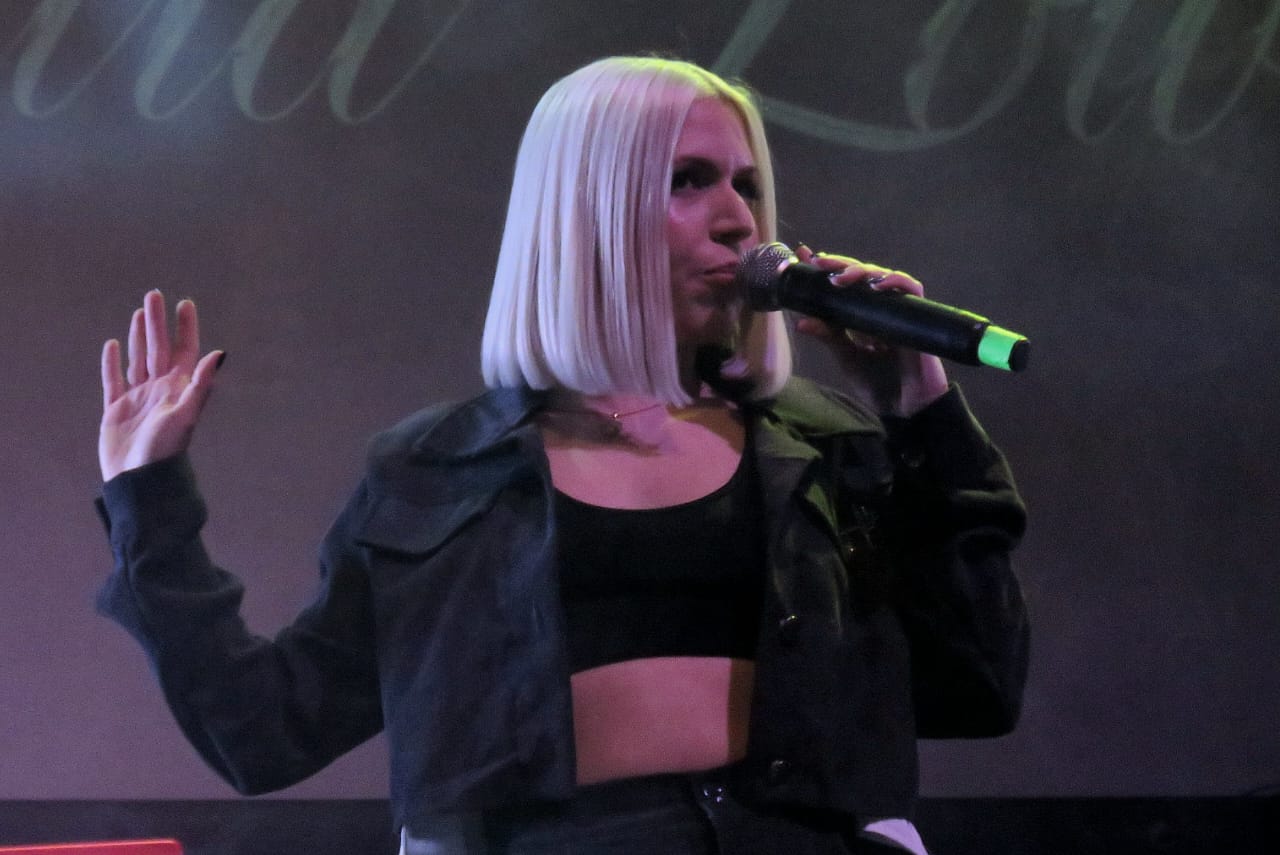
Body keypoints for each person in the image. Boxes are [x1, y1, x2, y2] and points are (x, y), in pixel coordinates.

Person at [95, 56, 1028, 854]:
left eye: (747, 185)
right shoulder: (438, 470)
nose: (740, 222)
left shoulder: (828, 443)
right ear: (584, 211)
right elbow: (268, 730)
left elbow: (978, 685)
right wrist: (147, 498)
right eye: (688, 180)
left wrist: (920, 407)